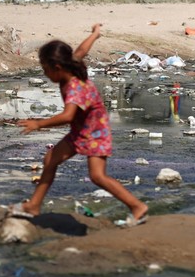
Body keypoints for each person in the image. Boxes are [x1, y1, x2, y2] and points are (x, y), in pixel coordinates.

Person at [13, 24, 149, 227]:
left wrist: (39, 124)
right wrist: (94, 34)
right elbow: (82, 50)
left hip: (95, 133)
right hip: (82, 131)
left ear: (57, 68)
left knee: (97, 176)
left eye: (45, 70)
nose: (45, 74)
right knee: (50, 159)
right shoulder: (70, 65)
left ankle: (138, 207)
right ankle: (34, 205)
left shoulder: (74, 87)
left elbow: (68, 115)